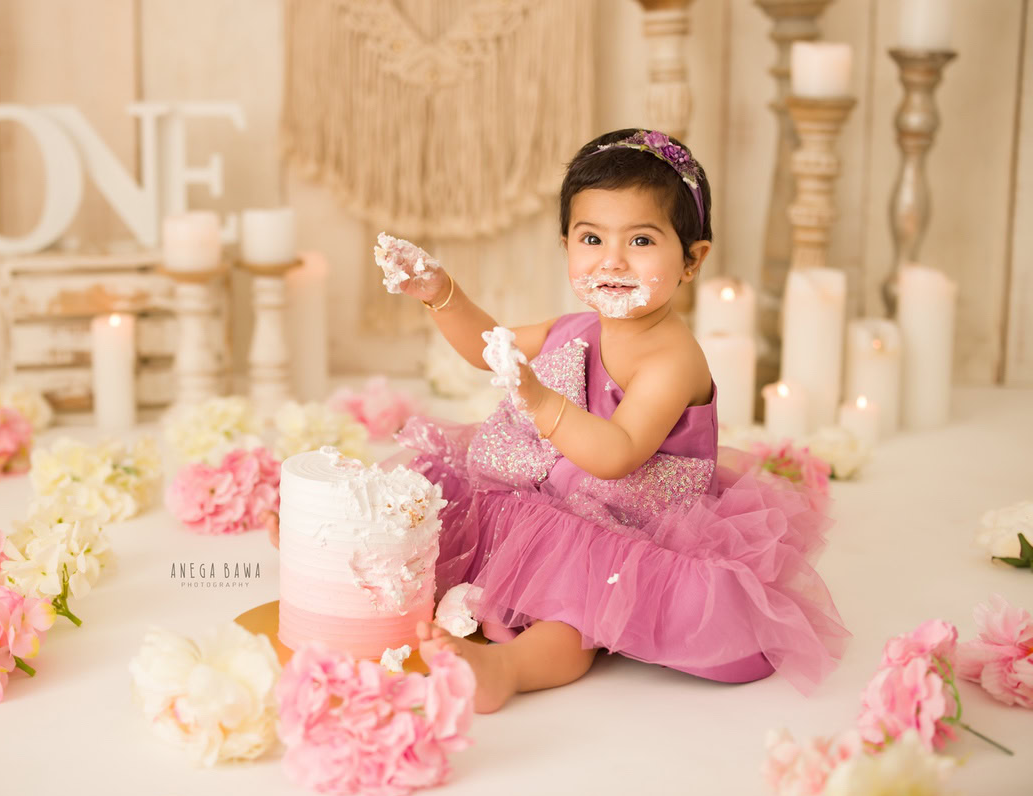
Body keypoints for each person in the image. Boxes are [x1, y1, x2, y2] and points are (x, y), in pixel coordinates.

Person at [272, 128, 850, 713]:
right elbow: (486, 345)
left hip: (627, 523)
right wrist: (443, 295)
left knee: (573, 614)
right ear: (567, 244)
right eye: (592, 237)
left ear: (691, 261)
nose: (612, 260)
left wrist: (540, 399)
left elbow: (618, 451)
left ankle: (509, 669)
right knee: (437, 524)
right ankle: (345, 553)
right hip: (551, 502)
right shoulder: (575, 329)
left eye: (642, 240)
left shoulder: (672, 358)